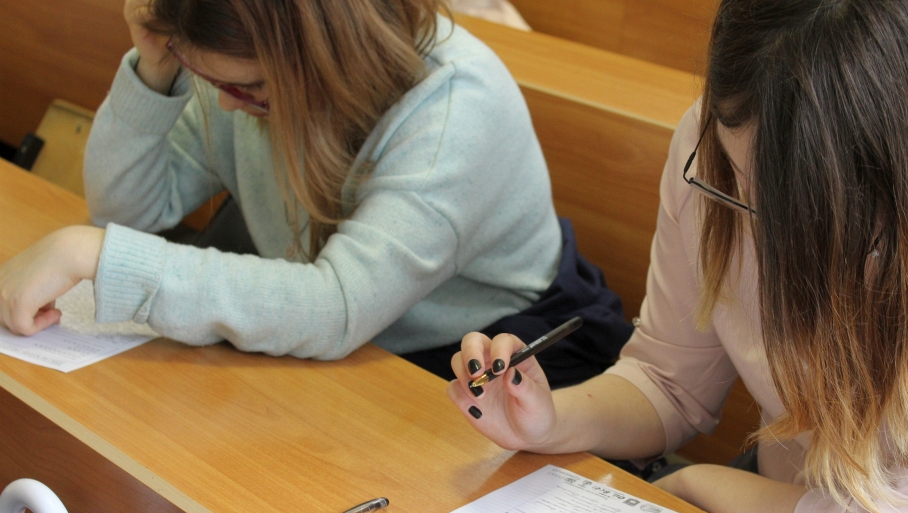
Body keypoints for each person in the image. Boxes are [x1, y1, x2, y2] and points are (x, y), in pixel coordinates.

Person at [447, 0, 908, 513]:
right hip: (778, 511)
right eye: (736, 182)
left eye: (796, 210)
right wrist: (547, 420)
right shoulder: (719, 144)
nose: (750, 223)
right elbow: (669, 381)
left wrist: (697, 481)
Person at [0, 0, 631, 380]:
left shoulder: (456, 107)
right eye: (207, 78)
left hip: (497, 358)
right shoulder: (241, 65)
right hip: (355, 347)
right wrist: (157, 66)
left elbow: (336, 308)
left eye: (249, 88)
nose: (225, 104)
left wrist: (94, 255)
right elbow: (128, 211)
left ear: (322, 58)